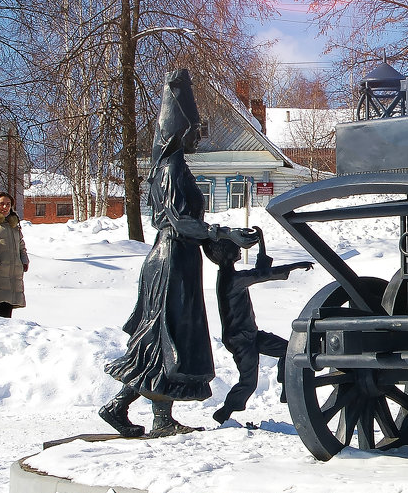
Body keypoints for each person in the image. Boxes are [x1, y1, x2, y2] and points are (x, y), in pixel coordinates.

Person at [100, 69, 258, 439]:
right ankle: (157, 418)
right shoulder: (170, 169)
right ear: (176, 131)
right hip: (170, 262)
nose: (196, 135)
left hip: (182, 261)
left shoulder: (178, 167)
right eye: (191, 129)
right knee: (166, 336)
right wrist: (220, 231)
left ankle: (122, 407)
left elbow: (191, 225)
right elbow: (175, 221)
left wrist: (227, 241)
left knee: (166, 337)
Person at [202, 228, 312, 426]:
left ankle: (287, 391)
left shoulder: (232, 276)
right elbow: (262, 274)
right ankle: (224, 412)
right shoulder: (232, 279)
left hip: (250, 335)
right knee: (248, 382)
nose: (239, 250)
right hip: (240, 339)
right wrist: (295, 265)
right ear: (227, 254)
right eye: (236, 247)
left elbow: (259, 270)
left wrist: (261, 241)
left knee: (289, 350)